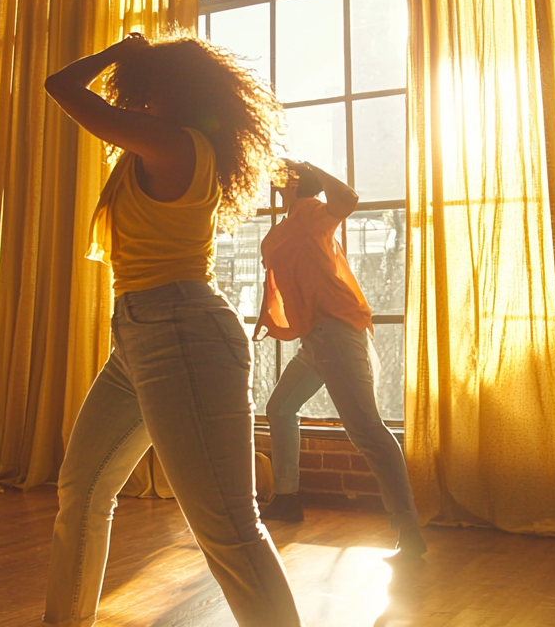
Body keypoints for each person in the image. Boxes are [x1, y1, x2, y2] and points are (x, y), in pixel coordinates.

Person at [43, 32, 301, 627]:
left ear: (166, 89)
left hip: (182, 332)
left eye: (142, 89)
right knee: (81, 491)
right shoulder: (153, 148)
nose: (133, 101)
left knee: (229, 527)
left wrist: (118, 52)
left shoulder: (177, 144)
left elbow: (61, 88)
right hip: (137, 335)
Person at [254, 159, 426, 562]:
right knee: (280, 408)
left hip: (336, 331)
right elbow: (281, 276)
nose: (277, 182)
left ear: (298, 183)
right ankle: (287, 497)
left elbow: (347, 198)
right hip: (317, 337)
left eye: (286, 178)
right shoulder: (290, 224)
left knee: (366, 429)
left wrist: (311, 169)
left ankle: (408, 527)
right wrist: (271, 320)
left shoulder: (312, 211)